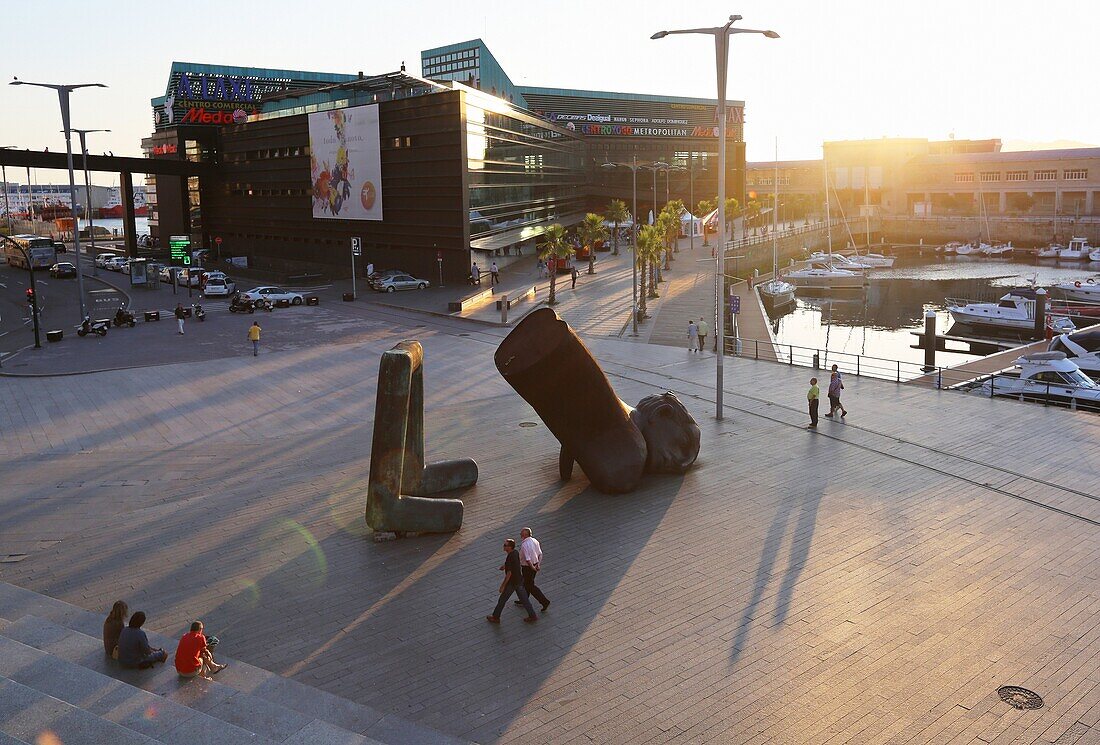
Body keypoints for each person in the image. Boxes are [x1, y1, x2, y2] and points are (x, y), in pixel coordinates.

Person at [487, 538, 537, 624]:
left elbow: (509, 574)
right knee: (524, 599)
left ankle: (496, 617)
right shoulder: (515, 552)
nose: (503, 546)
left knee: (502, 599)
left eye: (505, 545)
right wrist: (505, 566)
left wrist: (502, 586)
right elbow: (514, 564)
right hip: (519, 580)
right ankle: (533, 615)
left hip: (512, 583)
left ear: (509, 547)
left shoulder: (510, 556)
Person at [512, 527, 550, 612]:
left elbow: (528, 559)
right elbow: (540, 554)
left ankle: (544, 601)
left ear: (525, 535)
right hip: (535, 565)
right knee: (527, 583)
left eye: (521, 533)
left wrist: (532, 568)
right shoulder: (535, 541)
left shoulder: (524, 545)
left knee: (530, 586)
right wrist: (538, 565)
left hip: (527, 568)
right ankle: (524, 600)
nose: (520, 534)